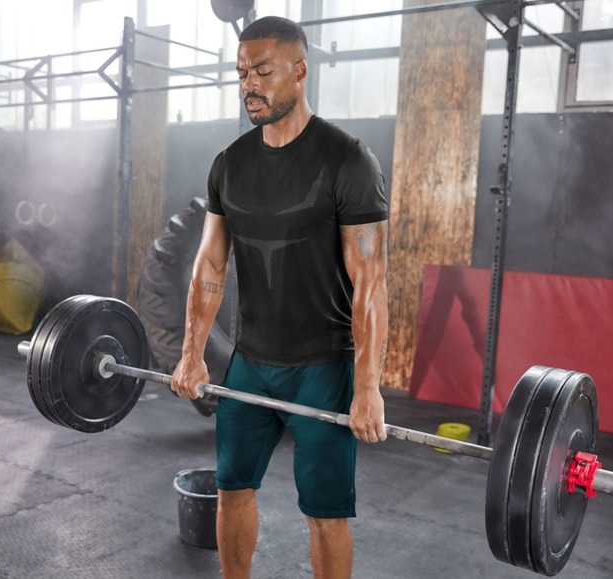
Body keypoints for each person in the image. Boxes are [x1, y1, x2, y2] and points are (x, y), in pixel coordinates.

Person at [171, 15, 389, 579]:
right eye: (242, 72)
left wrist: (367, 389)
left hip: (322, 367)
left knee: (325, 514)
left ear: (300, 69)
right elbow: (210, 263)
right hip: (250, 363)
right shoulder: (231, 164)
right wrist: (193, 352)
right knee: (231, 490)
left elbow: (370, 283)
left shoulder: (347, 160)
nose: (250, 84)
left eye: (263, 71)